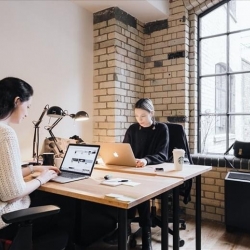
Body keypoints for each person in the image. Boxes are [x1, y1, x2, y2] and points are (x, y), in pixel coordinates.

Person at [0, 77, 63, 245]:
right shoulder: (5, 133)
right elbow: (12, 194)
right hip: (5, 221)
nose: (27, 113)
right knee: (63, 209)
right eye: (27, 106)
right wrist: (42, 179)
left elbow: (4, 176)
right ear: (16, 101)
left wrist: (34, 169)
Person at [104, 98, 169, 250]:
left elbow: (163, 154)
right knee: (123, 189)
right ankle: (126, 227)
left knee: (140, 192)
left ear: (152, 113)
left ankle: (143, 233)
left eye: (143, 116)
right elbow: (124, 151)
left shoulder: (162, 129)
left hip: (152, 172)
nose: (140, 120)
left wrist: (146, 160)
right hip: (133, 170)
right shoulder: (133, 129)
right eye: (137, 116)